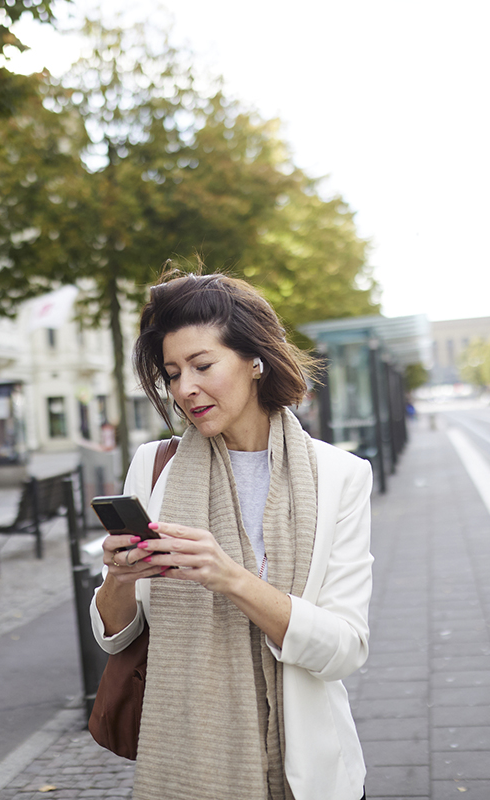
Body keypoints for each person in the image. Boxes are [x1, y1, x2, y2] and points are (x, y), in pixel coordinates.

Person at [91, 269, 373, 800]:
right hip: (187, 759)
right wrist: (120, 578)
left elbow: (345, 649)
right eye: (172, 373)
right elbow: (117, 635)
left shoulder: (340, 476)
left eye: (202, 365)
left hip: (307, 769)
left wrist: (230, 578)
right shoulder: (155, 467)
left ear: (255, 360)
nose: (185, 389)